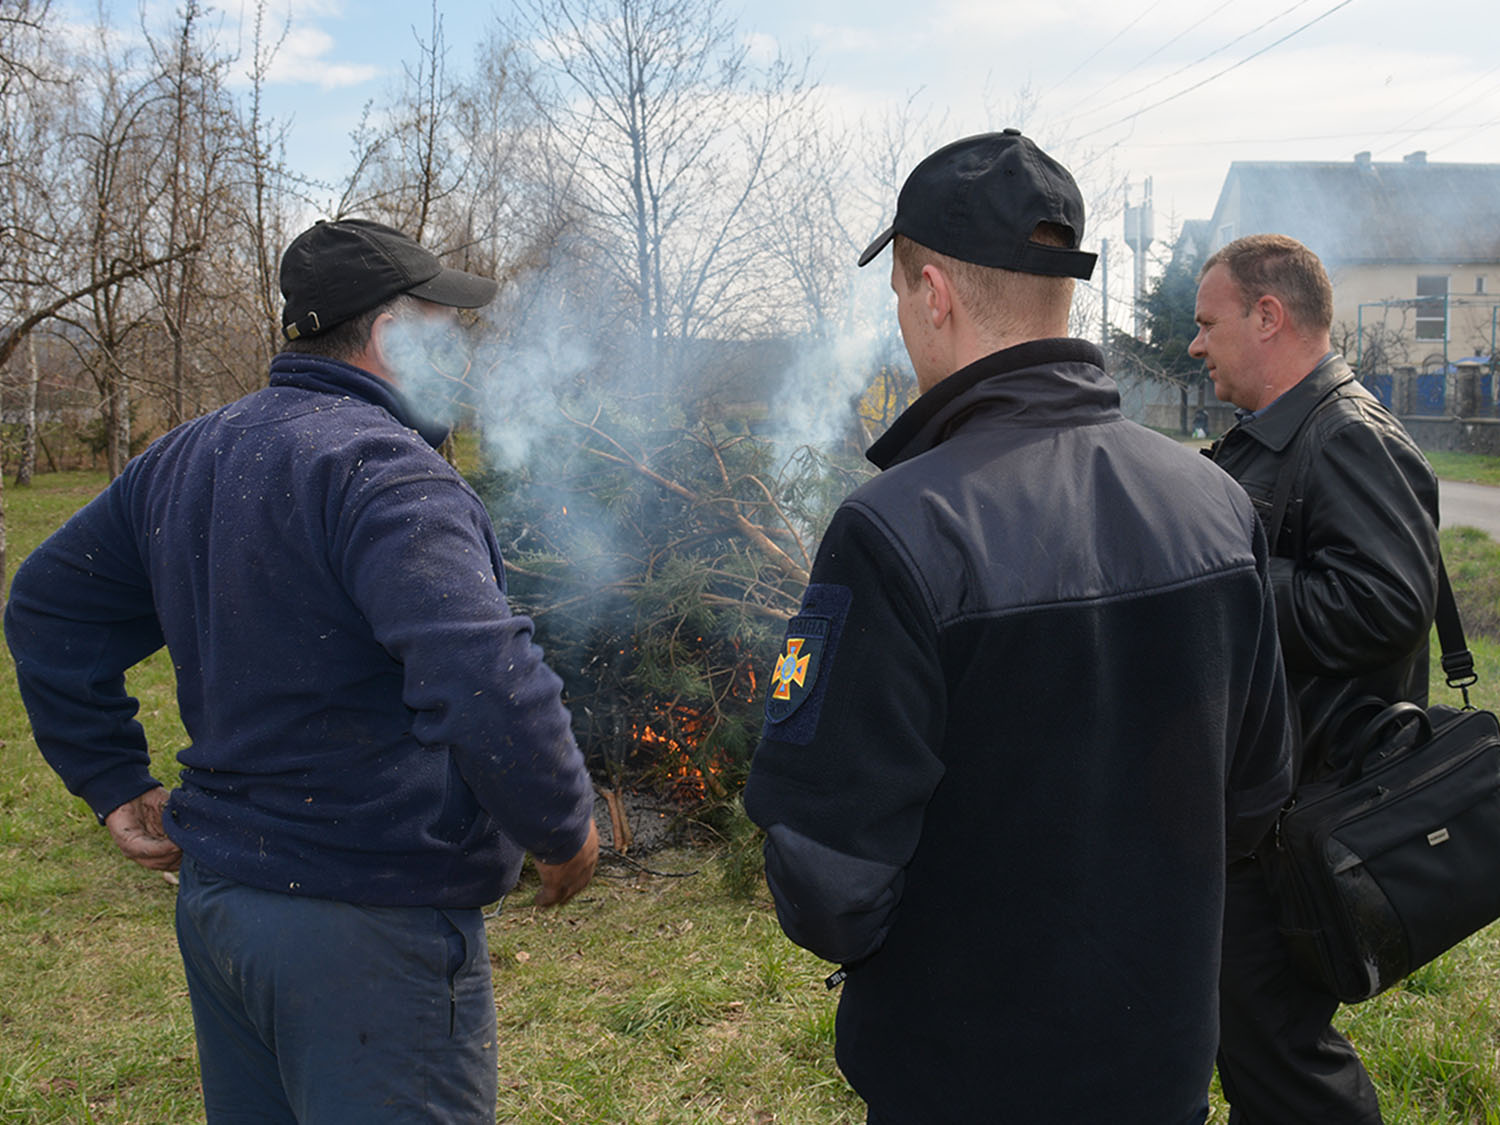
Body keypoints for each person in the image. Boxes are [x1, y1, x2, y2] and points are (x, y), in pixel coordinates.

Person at [742, 130, 1295, 1125]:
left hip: (965, 1082)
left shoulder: (897, 529)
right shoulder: (1214, 503)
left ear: (934, 296)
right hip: (1159, 1072)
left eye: (902, 299)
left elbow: (831, 889)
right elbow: (1255, 797)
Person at [5, 218, 600, 1123]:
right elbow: (484, 675)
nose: (464, 359)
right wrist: (564, 828)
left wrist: (113, 781)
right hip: (370, 930)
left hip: (222, 912)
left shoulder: (184, 456)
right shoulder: (389, 473)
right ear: (391, 335)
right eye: (447, 330)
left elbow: (45, 605)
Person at [1193, 233, 1441, 1124]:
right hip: (1269, 804)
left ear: (1269, 316)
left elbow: (1386, 602)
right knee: (1253, 1033)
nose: (1194, 343)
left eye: (1207, 321)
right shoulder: (1277, 436)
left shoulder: (1345, 436)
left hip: (1306, 807)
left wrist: (1226, 583)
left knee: (1276, 1046)